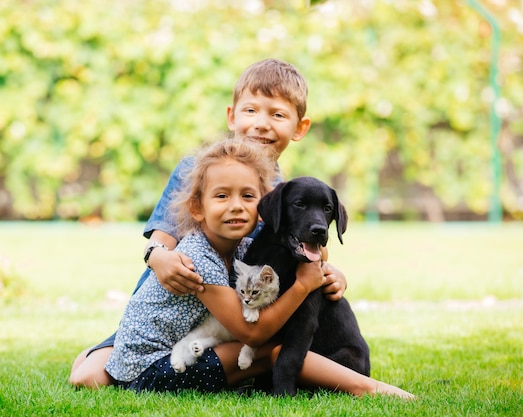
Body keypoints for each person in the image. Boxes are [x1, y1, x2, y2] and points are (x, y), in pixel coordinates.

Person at [70, 59, 348, 388]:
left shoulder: (286, 191)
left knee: (263, 345)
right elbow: (160, 241)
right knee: (87, 378)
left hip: (231, 314)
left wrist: (330, 272)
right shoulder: (198, 169)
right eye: (251, 111)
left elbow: (304, 250)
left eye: (277, 114)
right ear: (232, 116)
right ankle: (103, 349)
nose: (262, 124)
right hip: (174, 311)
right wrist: (159, 258)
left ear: (299, 128)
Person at [102, 138, 413, 398]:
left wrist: (328, 270)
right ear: (198, 208)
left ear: (262, 209)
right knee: (268, 349)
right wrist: (304, 284)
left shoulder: (243, 249)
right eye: (222, 196)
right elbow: (252, 332)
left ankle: (356, 382)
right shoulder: (197, 255)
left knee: (271, 349)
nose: (237, 206)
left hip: (175, 354)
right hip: (151, 371)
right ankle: (367, 388)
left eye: (248, 196)